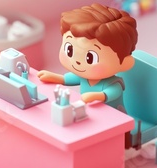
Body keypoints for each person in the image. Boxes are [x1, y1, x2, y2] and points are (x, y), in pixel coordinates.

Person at [37, 3, 138, 148]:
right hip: (93, 114)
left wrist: (96, 96)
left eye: (90, 58)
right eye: (69, 49)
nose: (77, 62)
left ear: (124, 63)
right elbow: (70, 78)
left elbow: (112, 93)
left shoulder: (113, 83)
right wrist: (55, 77)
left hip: (115, 119)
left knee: (114, 142)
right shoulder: (84, 75)